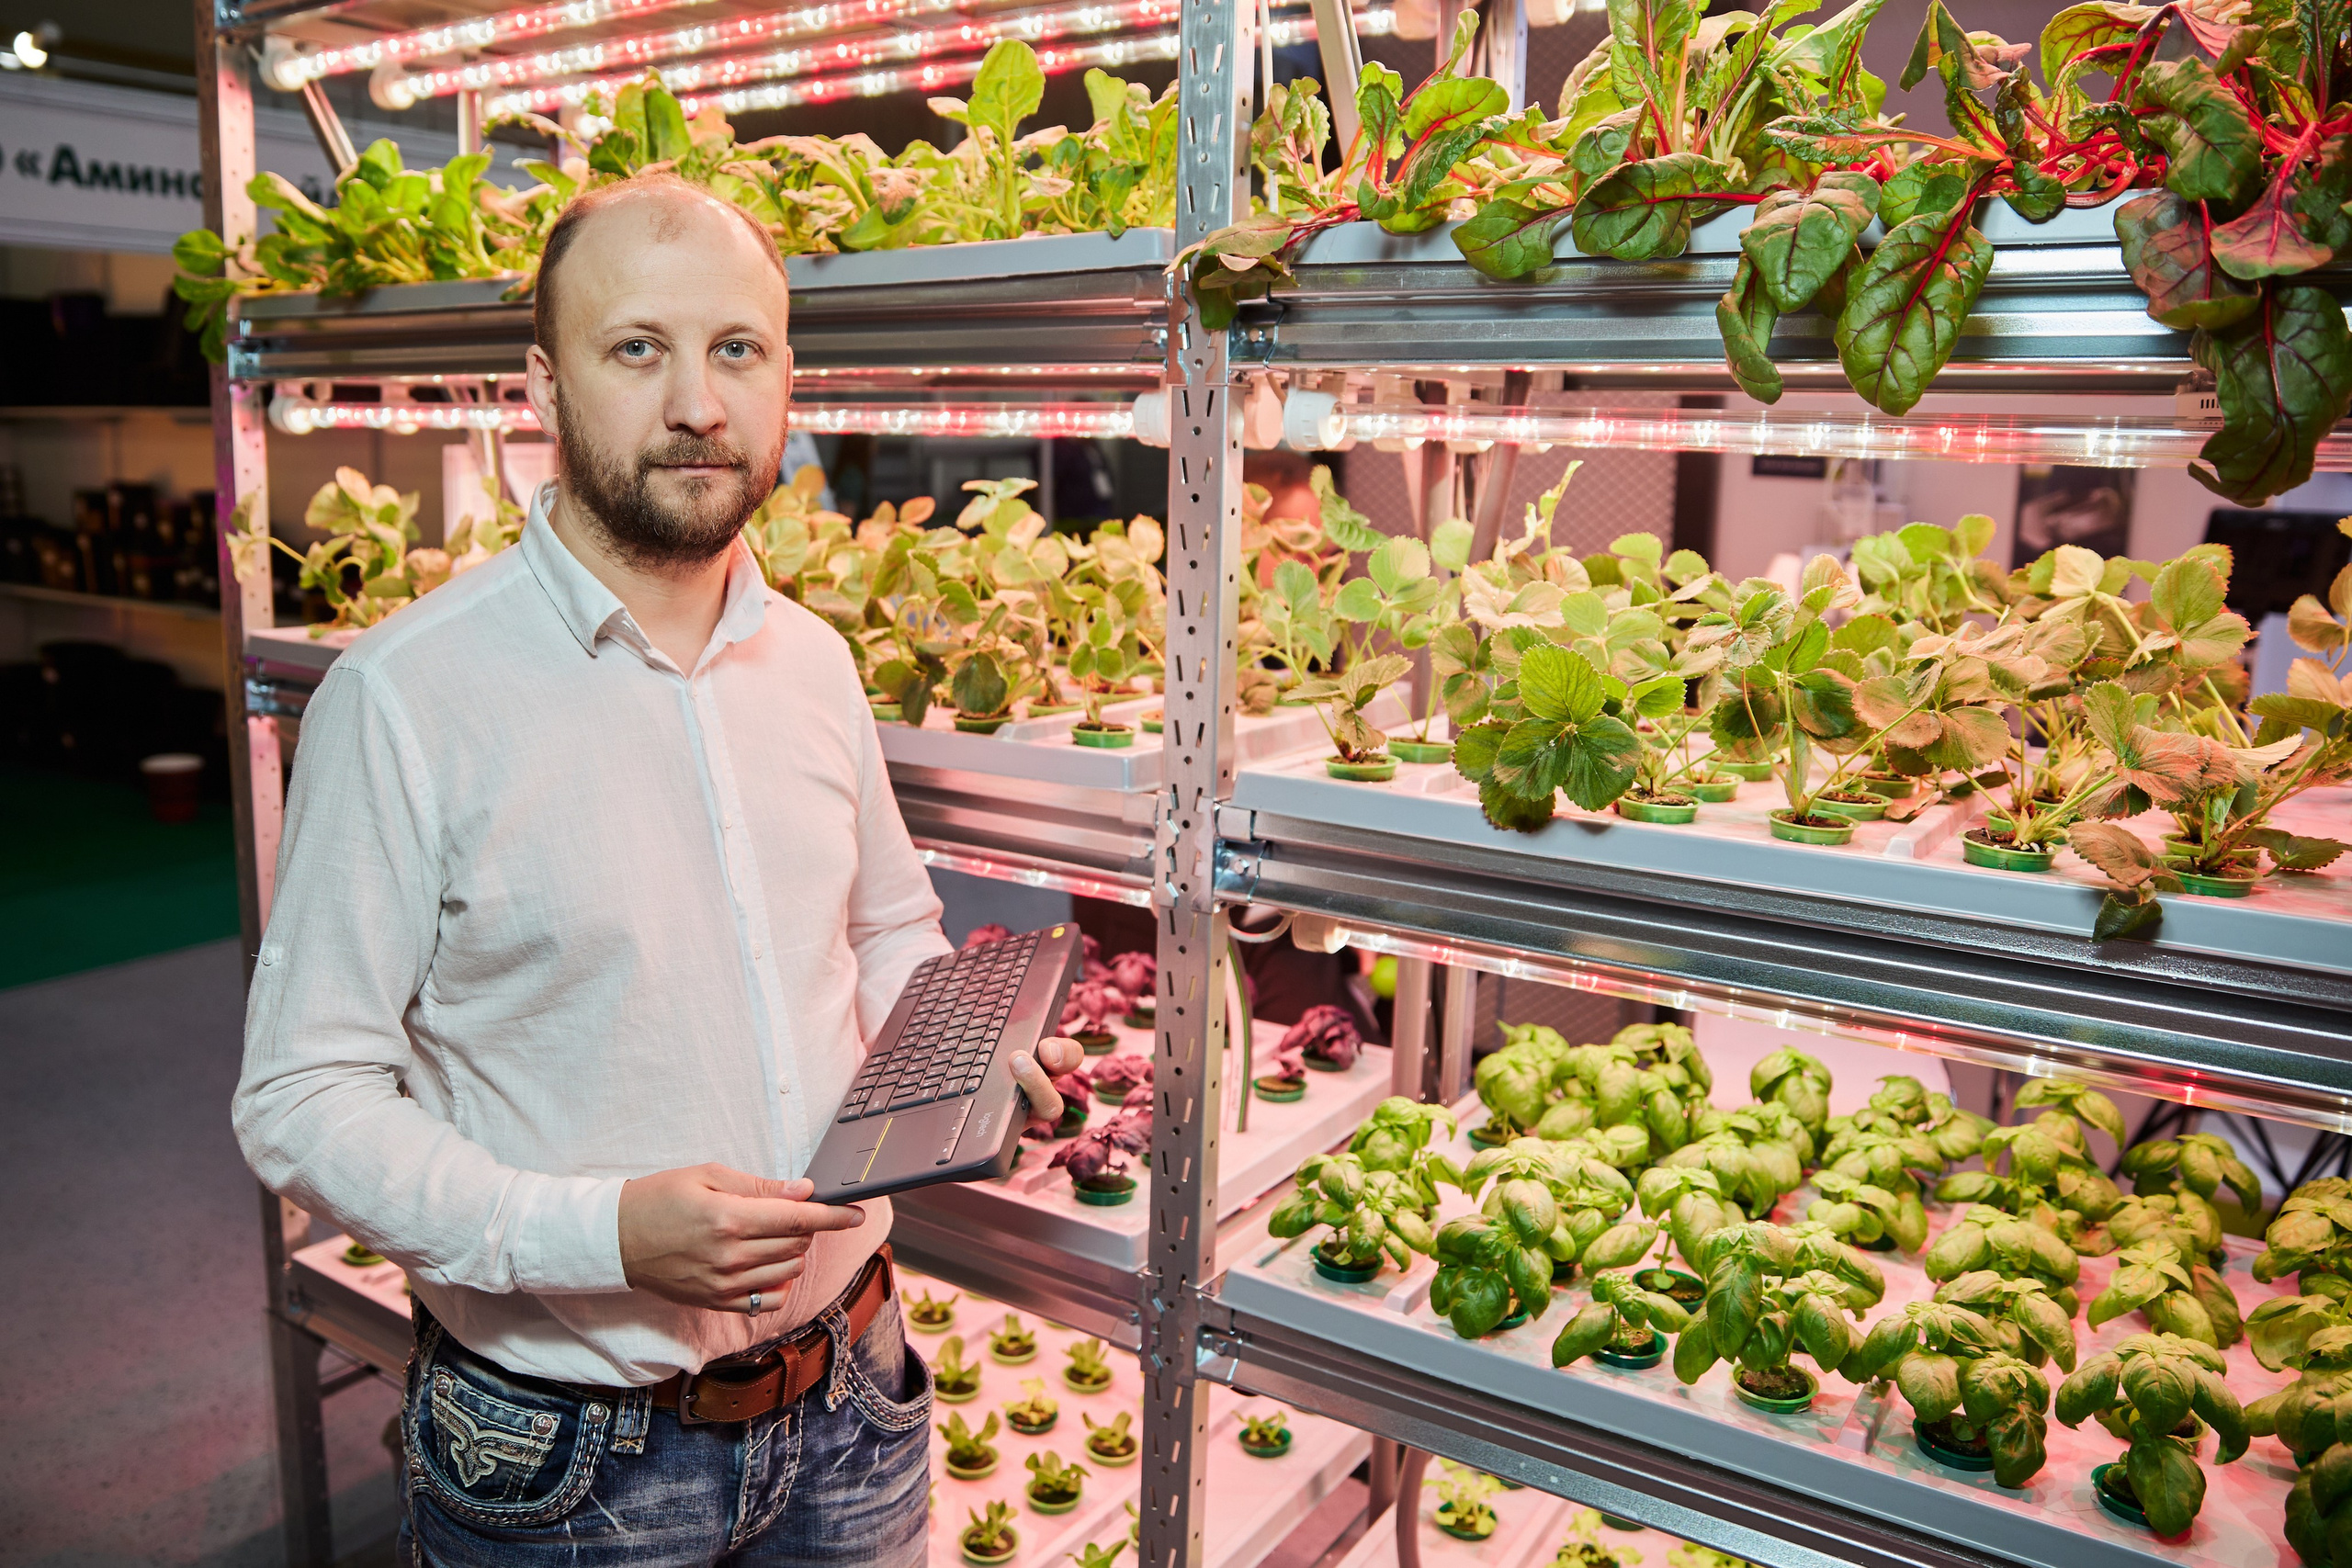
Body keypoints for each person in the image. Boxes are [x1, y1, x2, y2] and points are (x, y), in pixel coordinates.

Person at [232, 173, 1083, 1566]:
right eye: (638, 348)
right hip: (565, 1458)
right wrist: (601, 1234)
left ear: (786, 374)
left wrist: (964, 1055)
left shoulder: (815, 662)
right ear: (543, 384)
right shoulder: (405, 699)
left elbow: (886, 929)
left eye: (737, 348)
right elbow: (300, 1098)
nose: (699, 403)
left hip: (856, 1393)